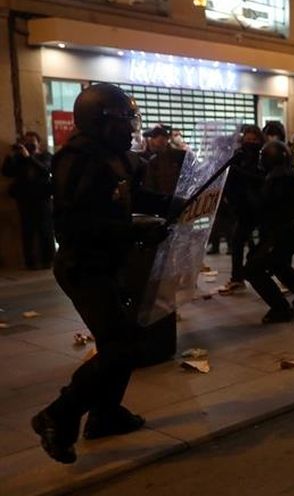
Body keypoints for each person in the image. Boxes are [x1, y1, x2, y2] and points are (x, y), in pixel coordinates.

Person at [32, 84, 172, 464]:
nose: (130, 128)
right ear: (99, 120)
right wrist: (136, 230)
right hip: (83, 267)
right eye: (124, 120)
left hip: (110, 261)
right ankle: (58, 415)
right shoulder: (76, 160)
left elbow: (134, 198)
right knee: (120, 347)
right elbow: (76, 227)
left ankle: (106, 415)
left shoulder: (117, 158)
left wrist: (176, 205)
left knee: (127, 343)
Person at [243, 140, 294, 323]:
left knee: (253, 269)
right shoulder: (283, 174)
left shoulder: (280, 177)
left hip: (284, 232)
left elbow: (265, 205)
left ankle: (281, 308)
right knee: (278, 264)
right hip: (290, 230)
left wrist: (248, 190)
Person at [218, 126, 264, 295]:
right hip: (242, 207)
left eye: (254, 140)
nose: (251, 142)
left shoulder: (263, 156)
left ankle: (269, 274)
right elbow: (229, 179)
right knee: (237, 241)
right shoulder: (238, 156)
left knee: (262, 243)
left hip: (260, 206)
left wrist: (241, 172)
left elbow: (261, 178)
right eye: (248, 139)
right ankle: (238, 278)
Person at [3, 131, 55, 269]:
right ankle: (30, 262)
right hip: (25, 199)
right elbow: (7, 172)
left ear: (38, 142)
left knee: (46, 230)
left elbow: (46, 170)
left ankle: (48, 260)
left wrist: (29, 157)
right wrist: (11, 156)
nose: (30, 144)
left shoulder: (45, 156)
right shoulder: (19, 159)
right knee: (28, 231)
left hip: (42, 198)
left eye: (32, 141)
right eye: (27, 141)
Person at [140, 125, 187, 196]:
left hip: (179, 198)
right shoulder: (152, 161)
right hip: (164, 200)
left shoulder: (180, 155)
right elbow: (149, 185)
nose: (150, 142)